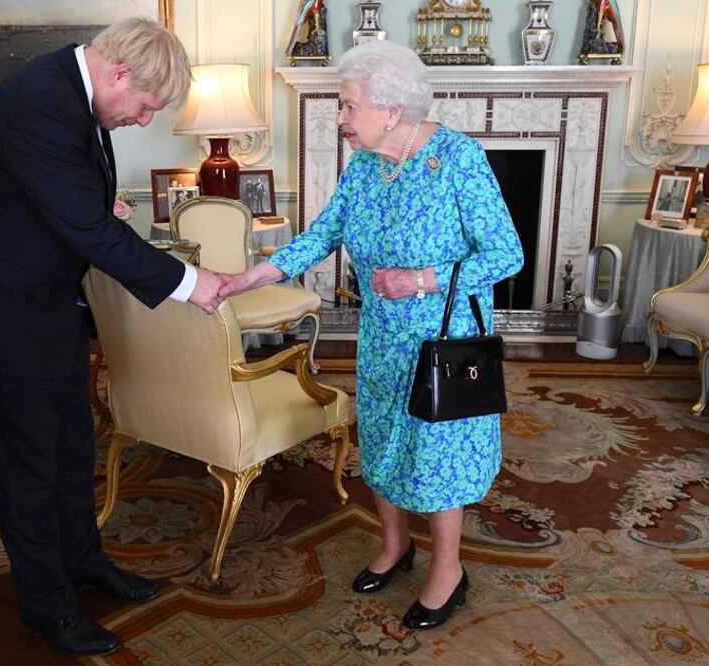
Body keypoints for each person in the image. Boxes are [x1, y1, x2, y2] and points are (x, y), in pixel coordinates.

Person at [0, 18, 227, 657]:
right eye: (144, 106)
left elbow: (74, 204)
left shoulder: (72, 88)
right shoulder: (39, 101)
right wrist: (190, 283)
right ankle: (47, 606)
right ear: (118, 74)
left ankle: (85, 563)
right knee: (27, 459)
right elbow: (87, 227)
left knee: (69, 442)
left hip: (47, 297)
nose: (143, 121)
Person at [220, 40, 523, 631]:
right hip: (383, 336)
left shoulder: (459, 159)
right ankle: (393, 546)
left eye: (348, 105)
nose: (341, 118)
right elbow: (324, 233)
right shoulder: (366, 164)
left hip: (444, 337)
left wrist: (420, 280)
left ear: (390, 109)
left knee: (437, 457)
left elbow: (506, 254)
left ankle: (448, 569)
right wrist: (253, 274)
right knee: (382, 440)